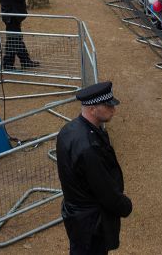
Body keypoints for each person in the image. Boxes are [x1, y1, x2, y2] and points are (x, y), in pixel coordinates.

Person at [56, 81, 132, 255]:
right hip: (92, 223)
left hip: (77, 217)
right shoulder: (90, 147)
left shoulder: (68, 130)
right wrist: (125, 206)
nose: (113, 109)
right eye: (107, 106)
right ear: (92, 109)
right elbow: (104, 188)